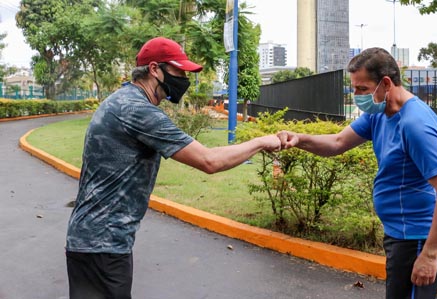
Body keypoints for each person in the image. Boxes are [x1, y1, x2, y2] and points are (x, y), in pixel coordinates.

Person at [65, 37, 281, 299]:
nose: (184, 80)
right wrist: (261, 142)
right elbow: (209, 161)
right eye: (178, 72)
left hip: (97, 240)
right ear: (154, 69)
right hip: (102, 245)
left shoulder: (124, 100)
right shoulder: (136, 110)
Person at [277, 47, 437, 299]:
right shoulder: (380, 114)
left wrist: (429, 255)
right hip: (398, 233)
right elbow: (338, 142)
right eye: (353, 88)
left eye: (362, 89)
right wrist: (299, 139)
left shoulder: (415, 124)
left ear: (386, 83)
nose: (356, 96)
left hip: (418, 238)